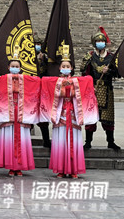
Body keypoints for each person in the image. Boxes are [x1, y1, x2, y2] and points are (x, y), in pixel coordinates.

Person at [41, 45, 98, 178]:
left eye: (68, 66)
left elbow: (88, 81)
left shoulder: (77, 81)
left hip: (73, 114)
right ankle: (60, 168)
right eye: (63, 66)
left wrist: (77, 89)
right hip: (60, 114)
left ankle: (74, 169)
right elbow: (44, 83)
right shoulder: (55, 82)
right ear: (59, 68)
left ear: (72, 68)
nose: (65, 68)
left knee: (75, 141)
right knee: (60, 141)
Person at [0, 46, 40, 176]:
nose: (15, 68)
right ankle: (11, 166)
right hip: (8, 112)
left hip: (22, 112)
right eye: (13, 66)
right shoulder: (2, 79)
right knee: (9, 139)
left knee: (22, 139)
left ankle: (21, 165)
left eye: (17, 66)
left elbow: (39, 84)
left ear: (20, 68)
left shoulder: (27, 79)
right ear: (8, 67)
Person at [80, 28, 120, 150]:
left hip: (107, 90)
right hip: (93, 90)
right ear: (94, 43)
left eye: (102, 41)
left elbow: (118, 74)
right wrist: (90, 86)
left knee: (108, 118)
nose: (100, 43)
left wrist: (110, 71)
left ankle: (110, 141)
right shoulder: (90, 57)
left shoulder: (111, 58)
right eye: (97, 41)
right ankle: (88, 142)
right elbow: (84, 74)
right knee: (91, 116)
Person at [34, 33, 51, 148]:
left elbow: (48, 70)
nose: (37, 46)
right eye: (35, 44)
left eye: (39, 44)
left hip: (42, 88)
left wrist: (43, 60)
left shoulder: (45, 57)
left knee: (43, 115)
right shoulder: (26, 58)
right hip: (30, 89)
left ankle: (46, 140)